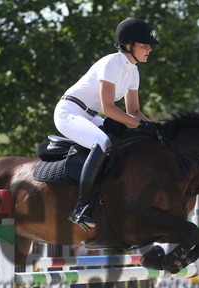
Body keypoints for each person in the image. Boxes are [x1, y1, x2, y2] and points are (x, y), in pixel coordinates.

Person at [54, 18, 160, 231]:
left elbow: (134, 112)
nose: (149, 48)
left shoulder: (133, 71)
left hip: (90, 116)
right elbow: (109, 109)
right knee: (104, 142)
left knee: (127, 143)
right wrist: (141, 125)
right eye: (144, 44)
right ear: (128, 45)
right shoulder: (111, 63)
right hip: (69, 112)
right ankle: (80, 207)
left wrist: (157, 129)